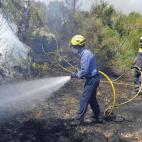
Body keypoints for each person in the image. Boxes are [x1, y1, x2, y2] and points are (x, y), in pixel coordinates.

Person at [70, 35, 104, 125]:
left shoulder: (86, 55)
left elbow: (85, 71)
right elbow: (85, 70)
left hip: (92, 80)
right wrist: (79, 73)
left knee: (84, 99)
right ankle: (99, 117)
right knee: (92, 99)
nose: (72, 49)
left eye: (73, 47)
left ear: (78, 46)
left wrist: (76, 75)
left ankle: (78, 119)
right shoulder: (85, 54)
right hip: (93, 78)